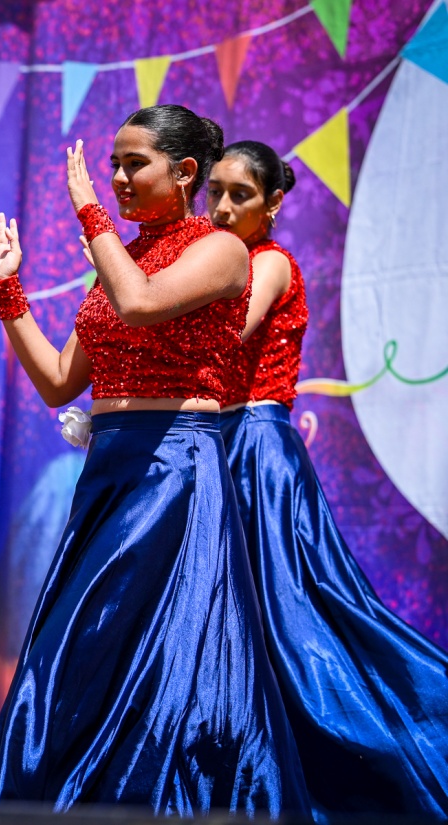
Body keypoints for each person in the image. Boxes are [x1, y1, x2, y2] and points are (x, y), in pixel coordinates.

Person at [0, 105, 310, 814]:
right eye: (114, 165)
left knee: (156, 664)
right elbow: (60, 380)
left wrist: (92, 216)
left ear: (185, 173)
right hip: (108, 474)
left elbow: (143, 301)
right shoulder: (115, 261)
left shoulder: (221, 251)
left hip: (173, 473)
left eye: (135, 164)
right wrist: (8, 294)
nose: (119, 178)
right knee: (68, 659)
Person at [210, 141, 448, 815]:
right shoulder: (221, 263)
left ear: (274, 203)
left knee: (295, 623)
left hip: (256, 452)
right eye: (216, 192)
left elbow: (227, 334)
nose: (223, 207)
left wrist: (133, 287)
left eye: (241, 195)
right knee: (240, 629)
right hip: (221, 448)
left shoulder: (270, 263)